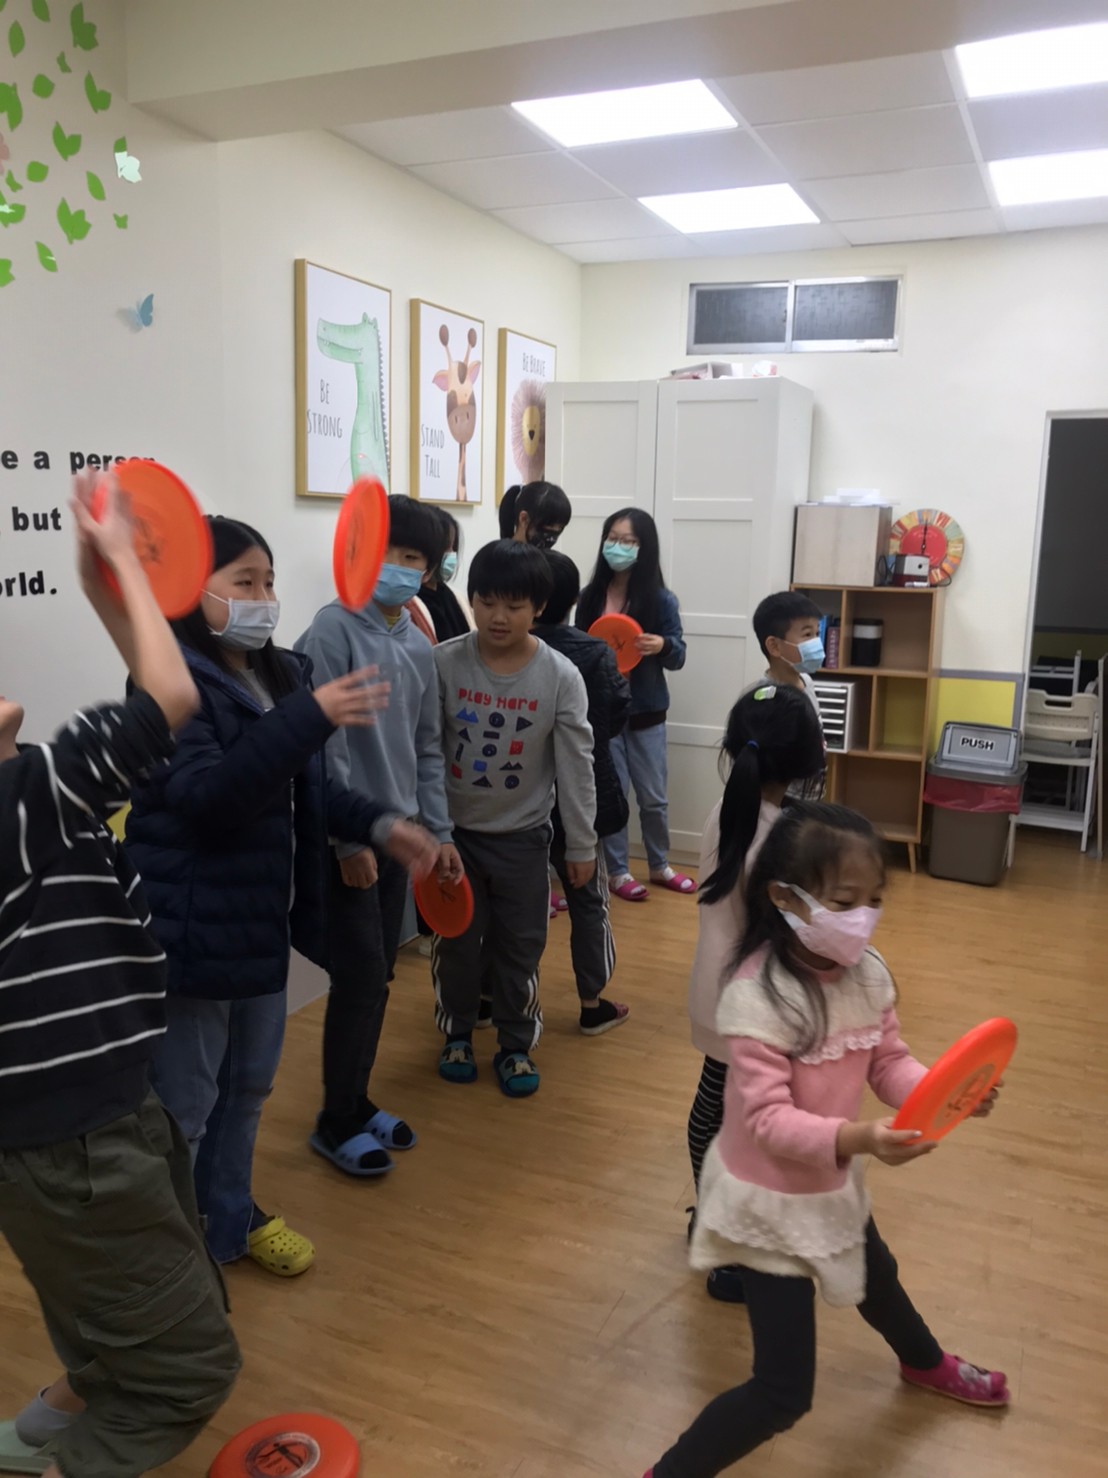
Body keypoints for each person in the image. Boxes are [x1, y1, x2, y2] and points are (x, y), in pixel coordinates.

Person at [645, 801, 1007, 1478]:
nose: (862, 917)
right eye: (844, 901)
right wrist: (860, 1137)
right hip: (767, 1208)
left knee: (876, 1275)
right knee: (781, 1392)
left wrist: (949, 1089)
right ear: (785, 898)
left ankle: (925, 1363)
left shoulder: (867, 974)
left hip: (829, 1181)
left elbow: (888, 1062)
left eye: (875, 900)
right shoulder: (755, 998)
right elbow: (767, 1122)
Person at [0, 474, 241, 1478]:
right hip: (81, 1144)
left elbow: (149, 701)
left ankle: (31, 1439)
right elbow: (170, 701)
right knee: (190, 1370)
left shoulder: (28, 805)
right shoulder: (20, 802)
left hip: (64, 1132)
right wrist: (117, 562)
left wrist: (110, 589)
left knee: (118, 1312)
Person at [124, 516, 438, 1275]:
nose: (265, 597)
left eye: (268, 581)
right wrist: (309, 716)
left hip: (258, 922)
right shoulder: (166, 684)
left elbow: (311, 788)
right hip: (192, 929)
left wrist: (382, 825)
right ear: (188, 589)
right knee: (187, 1107)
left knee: (249, 1088)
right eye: (245, 582)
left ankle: (229, 1218)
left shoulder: (280, 675)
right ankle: (171, 1262)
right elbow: (212, 800)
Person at [297, 495, 462, 1176]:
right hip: (350, 840)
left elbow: (428, 747)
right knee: (361, 975)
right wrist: (348, 842)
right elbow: (322, 745)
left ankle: (355, 1102)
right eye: (385, 550)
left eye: (411, 556)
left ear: (429, 570)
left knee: (378, 976)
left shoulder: (419, 645)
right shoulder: (331, 630)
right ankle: (335, 1120)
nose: (396, 565)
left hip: (401, 837)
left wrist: (437, 831)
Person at [432, 540, 596, 1097]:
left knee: (520, 946)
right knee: (456, 945)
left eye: (515, 605)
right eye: (486, 602)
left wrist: (582, 844)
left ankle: (515, 1044)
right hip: (454, 839)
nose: (498, 617)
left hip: (524, 839)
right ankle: (457, 1034)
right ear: (471, 599)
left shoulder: (560, 675)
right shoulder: (444, 662)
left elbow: (576, 765)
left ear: (539, 608)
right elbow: (426, 751)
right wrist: (432, 830)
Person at [686, 684, 826, 1303]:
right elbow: (800, 936)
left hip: (716, 991)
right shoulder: (781, 843)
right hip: (752, 1004)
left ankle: (712, 1221)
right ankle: (726, 1245)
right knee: (738, 1124)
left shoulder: (733, 806)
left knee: (713, 1107)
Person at [534, 550, 631, 1035]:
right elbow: (616, 714)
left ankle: (488, 1000)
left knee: (512, 905)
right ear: (573, 599)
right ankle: (592, 1004)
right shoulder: (593, 652)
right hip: (583, 793)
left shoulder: (509, 649)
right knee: (588, 900)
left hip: (520, 797)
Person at [576, 508, 689, 901]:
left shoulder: (661, 600)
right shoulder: (590, 597)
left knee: (654, 798)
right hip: (604, 713)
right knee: (614, 795)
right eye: (613, 538)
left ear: (644, 548)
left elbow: (679, 656)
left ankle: (660, 865)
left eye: (628, 541)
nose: (618, 547)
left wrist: (663, 645)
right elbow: (579, 648)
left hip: (646, 713)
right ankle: (618, 871)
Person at [752, 590, 825, 712]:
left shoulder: (806, 681)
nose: (816, 642)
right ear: (775, 646)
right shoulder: (766, 698)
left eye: (817, 633)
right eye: (807, 634)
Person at [416, 508, 474, 643]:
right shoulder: (410, 601)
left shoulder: (454, 597)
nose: (451, 553)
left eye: (453, 547)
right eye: (446, 546)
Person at [499, 479, 572, 549]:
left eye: (560, 527)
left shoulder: (547, 557)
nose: (553, 536)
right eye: (549, 525)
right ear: (524, 519)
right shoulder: (497, 555)